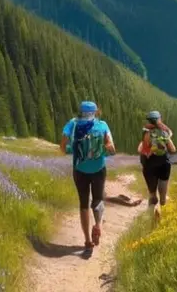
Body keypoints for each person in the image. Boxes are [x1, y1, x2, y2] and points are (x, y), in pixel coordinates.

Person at [60, 101, 116, 250]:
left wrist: (72, 151)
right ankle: (98, 225)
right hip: (99, 169)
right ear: (96, 112)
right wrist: (106, 148)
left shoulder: (72, 124)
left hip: (79, 170)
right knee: (98, 199)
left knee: (83, 204)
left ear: (80, 111)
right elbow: (112, 148)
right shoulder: (102, 125)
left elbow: (63, 147)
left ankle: (87, 241)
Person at [138, 110, 177, 223]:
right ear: (159, 119)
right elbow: (173, 149)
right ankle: (162, 213)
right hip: (164, 165)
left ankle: (152, 218)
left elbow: (141, 149)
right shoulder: (164, 133)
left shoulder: (146, 132)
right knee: (163, 195)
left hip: (149, 167)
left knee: (152, 195)